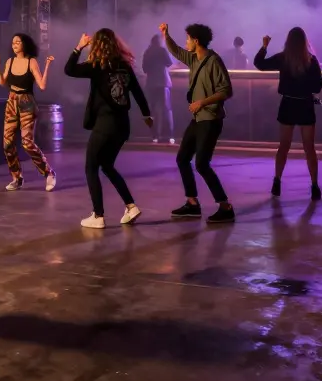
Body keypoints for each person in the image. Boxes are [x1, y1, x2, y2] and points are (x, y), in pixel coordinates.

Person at [64, 29, 153, 228]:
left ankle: (98, 215)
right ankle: (131, 206)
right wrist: (147, 115)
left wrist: (78, 47)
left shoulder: (97, 66)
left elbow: (69, 69)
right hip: (122, 126)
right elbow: (138, 93)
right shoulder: (124, 66)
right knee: (107, 165)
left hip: (105, 125)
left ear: (97, 45)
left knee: (91, 167)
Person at [161, 21, 234, 223]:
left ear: (196, 40)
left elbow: (227, 91)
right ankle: (192, 203)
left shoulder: (213, 61)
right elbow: (176, 51)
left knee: (201, 164)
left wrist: (201, 102)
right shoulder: (194, 58)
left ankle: (225, 207)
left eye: (187, 39)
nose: (185, 42)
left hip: (210, 119)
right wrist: (166, 35)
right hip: (198, 119)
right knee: (183, 158)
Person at [253, 27, 322, 200]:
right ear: (304, 41)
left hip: (288, 103)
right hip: (306, 104)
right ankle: (315, 185)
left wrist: (264, 46)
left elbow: (259, 64)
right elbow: (318, 86)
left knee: (283, 145)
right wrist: (306, 88)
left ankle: (277, 181)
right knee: (309, 147)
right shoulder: (311, 60)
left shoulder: (282, 58)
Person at [0, 33, 56, 192]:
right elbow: (2, 82)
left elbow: (41, 85)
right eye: (13, 42)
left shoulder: (31, 62)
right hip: (12, 102)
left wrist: (47, 66)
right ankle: (17, 177)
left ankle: (48, 173)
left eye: (17, 42)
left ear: (24, 44)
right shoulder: (10, 62)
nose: (14, 45)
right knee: (7, 144)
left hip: (27, 103)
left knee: (27, 143)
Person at [142, 35, 175, 144]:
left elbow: (144, 68)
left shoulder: (147, 52)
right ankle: (169, 135)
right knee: (166, 109)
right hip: (163, 83)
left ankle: (155, 136)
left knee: (153, 110)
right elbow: (169, 63)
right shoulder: (162, 50)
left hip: (151, 84)